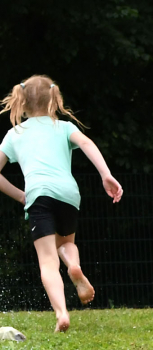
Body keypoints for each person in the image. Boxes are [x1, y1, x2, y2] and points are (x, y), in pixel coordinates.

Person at [0, 75, 122, 333]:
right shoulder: (64, 127)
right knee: (66, 243)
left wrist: (21, 195)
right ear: (54, 100)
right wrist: (106, 175)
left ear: (21, 102)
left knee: (47, 261)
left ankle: (62, 314)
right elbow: (87, 143)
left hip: (38, 195)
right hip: (68, 194)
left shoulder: (15, 134)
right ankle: (74, 266)